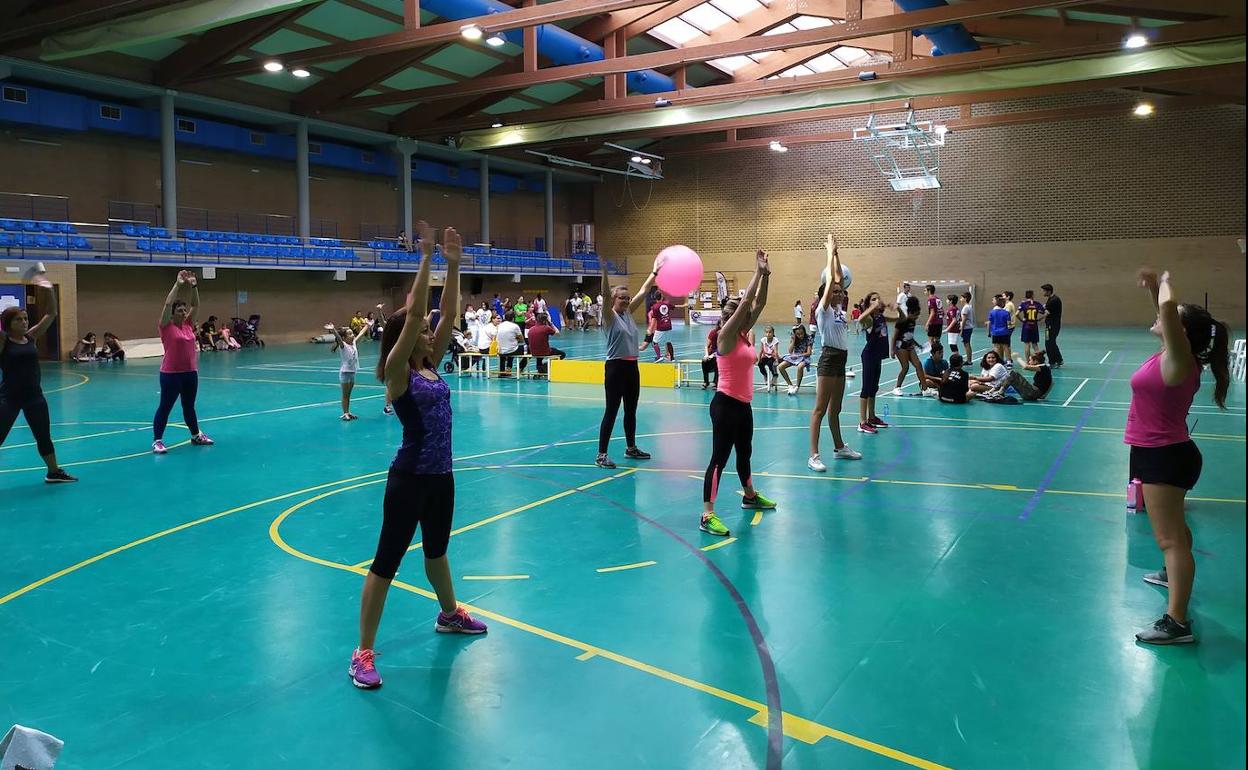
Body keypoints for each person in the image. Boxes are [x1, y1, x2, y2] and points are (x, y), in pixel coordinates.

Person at [349, 222, 486, 691]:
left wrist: (452, 265)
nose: (433, 333)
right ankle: (362, 652)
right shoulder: (396, 374)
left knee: (437, 552)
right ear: (408, 339)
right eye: (424, 331)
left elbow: (446, 313)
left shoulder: (429, 365)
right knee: (386, 562)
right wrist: (425, 259)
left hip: (441, 477)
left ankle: (449, 614)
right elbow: (413, 318)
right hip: (408, 479)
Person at [1127, 268, 1230, 645]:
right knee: (1175, 536)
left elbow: (1168, 307)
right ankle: (1172, 576)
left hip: (1164, 455)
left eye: (1168, 318)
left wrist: (1167, 279)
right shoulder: (1171, 356)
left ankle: (1177, 622)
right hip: (1161, 451)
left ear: (1180, 332)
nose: (1159, 315)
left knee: (1170, 540)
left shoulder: (1179, 360)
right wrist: (1155, 289)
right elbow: (1164, 309)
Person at [699, 250, 777, 538]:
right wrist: (756, 271)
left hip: (743, 405)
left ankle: (749, 496)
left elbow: (760, 302)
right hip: (725, 405)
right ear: (730, 316)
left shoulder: (743, 333)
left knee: (745, 453)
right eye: (738, 310)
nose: (745, 312)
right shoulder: (725, 336)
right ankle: (707, 514)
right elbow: (748, 301)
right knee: (719, 458)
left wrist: (767, 275)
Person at [0, 271, 77, 483]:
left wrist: (48, 288)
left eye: (25, 318)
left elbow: (51, 313)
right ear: (8, 323)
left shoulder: (31, 337)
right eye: (19, 319)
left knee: (43, 436)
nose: (24, 322)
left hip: (34, 396)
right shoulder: (4, 342)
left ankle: (53, 472)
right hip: (9, 398)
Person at [596, 259, 657, 469]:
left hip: (632, 367)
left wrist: (655, 271)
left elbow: (644, 289)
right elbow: (604, 295)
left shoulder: (628, 313)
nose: (626, 300)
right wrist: (604, 272)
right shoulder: (609, 316)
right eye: (622, 298)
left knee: (631, 409)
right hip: (615, 368)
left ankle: (631, 448)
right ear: (613, 299)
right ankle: (601, 454)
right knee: (611, 410)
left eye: (627, 298)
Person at [808, 235, 862, 471]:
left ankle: (839, 448)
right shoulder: (823, 310)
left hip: (841, 359)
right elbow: (831, 280)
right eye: (836, 292)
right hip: (828, 359)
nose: (840, 294)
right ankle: (814, 455)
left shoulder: (839, 310)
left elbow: (838, 278)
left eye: (841, 292)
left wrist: (837, 254)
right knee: (820, 409)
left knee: (836, 409)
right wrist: (829, 253)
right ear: (826, 295)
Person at [153, 270, 213, 454]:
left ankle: (196, 435)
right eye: (180, 310)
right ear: (172, 314)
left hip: (190, 373)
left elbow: (196, 304)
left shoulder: (188, 325)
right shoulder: (166, 326)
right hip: (171, 374)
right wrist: (178, 284)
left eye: (184, 309)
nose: (184, 311)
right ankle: (157, 441)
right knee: (165, 407)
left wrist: (194, 285)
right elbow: (167, 303)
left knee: (189, 406)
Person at [856, 292, 894, 434]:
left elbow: (900, 319)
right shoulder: (869, 319)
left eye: (878, 298)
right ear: (868, 304)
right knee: (866, 389)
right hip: (869, 356)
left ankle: (871, 417)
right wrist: (872, 307)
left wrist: (894, 307)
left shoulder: (881, 317)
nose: (877, 300)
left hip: (877, 357)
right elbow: (860, 318)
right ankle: (862, 422)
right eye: (873, 299)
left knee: (874, 388)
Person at [891, 296, 928, 395]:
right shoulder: (902, 321)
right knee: (905, 367)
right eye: (916, 315)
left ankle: (925, 389)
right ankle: (897, 387)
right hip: (900, 346)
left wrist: (918, 345)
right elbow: (894, 337)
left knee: (918, 365)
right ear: (910, 313)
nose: (917, 317)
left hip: (909, 346)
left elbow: (910, 335)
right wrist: (892, 350)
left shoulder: (913, 321)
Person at [328, 324, 359, 420]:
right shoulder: (343, 345)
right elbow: (338, 338)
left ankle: (348, 412)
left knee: (348, 395)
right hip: (345, 373)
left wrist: (368, 325)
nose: (353, 335)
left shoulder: (353, 343)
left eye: (352, 333)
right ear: (344, 338)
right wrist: (333, 329)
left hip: (352, 372)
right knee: (345, 395)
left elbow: (361, 334)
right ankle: (345, 413)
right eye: (350, 334)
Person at [778, 324, 812, 395]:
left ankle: (797, 386)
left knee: (800, 367)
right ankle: (790, 385)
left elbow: (809, 353)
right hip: (795, 357)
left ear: (804, 332)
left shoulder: (808, 338)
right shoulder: (794, 338)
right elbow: (790, 351)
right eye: (798, 334)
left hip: (804, 357)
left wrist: (799, 355)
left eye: (801, 334)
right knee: (780, 366)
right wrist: (793, 340)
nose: (800, 336)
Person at [647, 292, 679, 362]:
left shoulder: (654, 307)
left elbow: (654, 319)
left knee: (654, 342)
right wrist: (684, 305)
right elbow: (674, 307)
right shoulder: (667, 303)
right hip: (668, 326)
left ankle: (659, 356)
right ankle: (672, 358)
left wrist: (650, 329)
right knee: (668, 342)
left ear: (655, 298)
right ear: (661, 297)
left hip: (660, 327)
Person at [1017, 290, 1046, 360]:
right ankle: (1039, 360)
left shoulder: (1023, 304)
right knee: (1035, 344)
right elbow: (1045, 313)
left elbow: (1016, 314)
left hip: (1026, 326)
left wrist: (1022, 320)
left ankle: (1028, 361)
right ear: (1032, 295)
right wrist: (1039, 319)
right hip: (1034, 326)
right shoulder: (1037, 304)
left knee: (1027, 344)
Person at [496, 311, 527, 375]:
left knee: (510, 347)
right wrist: (516, 339)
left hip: (500, 350)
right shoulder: (515, 326)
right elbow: (522, 340)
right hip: (511, 350)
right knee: (528, 349)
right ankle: (520, 367)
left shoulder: (499, 325)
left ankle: (503, 371)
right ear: (513, 318)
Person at [1041, 283, 1064, 367]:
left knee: (1049, 343)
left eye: (1044, 291)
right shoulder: (1052, 299)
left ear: (1049, 291)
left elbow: (1045, 312)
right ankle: (1059, 360)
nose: (1043, 292)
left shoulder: (1053, 300)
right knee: (1052, 342)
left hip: (1051, 326)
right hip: (1051, 325)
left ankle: (1052, 362)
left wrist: (1039, 309)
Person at [986, 294, 1011, 363]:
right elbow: (1009, 323)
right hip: (1004, 332)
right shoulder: (1006, 313)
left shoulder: (991, 312)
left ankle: (998, 361)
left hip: (995, 333)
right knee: (1006, 347)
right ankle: (1009, 362)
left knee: (996, 347)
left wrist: (988, 332)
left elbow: (989, 323)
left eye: (993, 300)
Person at [757, 325, 780, 392]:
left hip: (772, 357)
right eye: (766, 332)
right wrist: (758, 360)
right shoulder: (763, 340)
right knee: (760, 364)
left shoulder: (775, 340)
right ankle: (765, 375)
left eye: (770, 332)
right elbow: (761, 350)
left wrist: (776, 360)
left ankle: (775, 376)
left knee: (771, 364)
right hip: (765, 356)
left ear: (773, 333)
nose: (768, 334)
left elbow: (776, 351)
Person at [701, 320, 720, 390]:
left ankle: (716, 382)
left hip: (721, 354)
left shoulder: (725, 333)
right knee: (704, 361)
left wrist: (714, 355)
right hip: (713, 353)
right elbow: (706, 345)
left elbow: (722, 348)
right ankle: (706, 381)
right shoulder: (713, 332)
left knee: (717, 361)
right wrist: (706, 355)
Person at [958, 291, 975, 362]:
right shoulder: (969, 307)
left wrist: (961, 330)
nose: (960, 299)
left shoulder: (965, 308)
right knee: (966, 343)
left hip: (966, 328)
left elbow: (964, 320)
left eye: (961, 298)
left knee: (966, 344)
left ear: (965, 299)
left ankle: (969, 360)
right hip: (968, 328)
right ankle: (969, 359)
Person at [1002, 290, 1018, 364]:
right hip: (1008, 326)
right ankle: (1009, 359)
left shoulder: (1009, 305)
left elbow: (1005, 314)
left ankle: (1009, 360)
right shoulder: (1007, 304)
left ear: (1008, 297)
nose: (1002, 297)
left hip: (1009, 326)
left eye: (1003, 295)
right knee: (1006, 343)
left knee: (1006, 343)